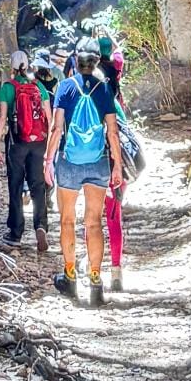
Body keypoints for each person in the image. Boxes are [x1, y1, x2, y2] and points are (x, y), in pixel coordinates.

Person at [44, 35, 124, 305]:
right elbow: (112, 132)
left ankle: (70, 277)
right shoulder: (104, 89)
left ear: (75, 61)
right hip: (98, 162)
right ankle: (95, 282)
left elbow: (57, 129)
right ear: (97, 61)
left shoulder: (65, 87)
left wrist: (48, 161)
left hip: (69, 162)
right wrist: (117, 166)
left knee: (67, 221)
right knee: (94, 223)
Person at [0, 49, 51, 251]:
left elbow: (2, 117)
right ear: (28, 65)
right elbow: (49, 117)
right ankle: (41, 225)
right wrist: (48, 143)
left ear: (12, 66)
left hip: (17, 142)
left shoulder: (7, 88)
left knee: (16, 185)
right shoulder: (38, 86)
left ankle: (16, 233)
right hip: (39, 142)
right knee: (38, 185)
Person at [96, 33, 129, 288]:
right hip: (116, 166)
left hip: (93, 166)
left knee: (92, 219)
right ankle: (116, 270)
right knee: (114, 218)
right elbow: (122, 136)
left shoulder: (85, 100)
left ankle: (94, 272)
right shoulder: (115, 104)